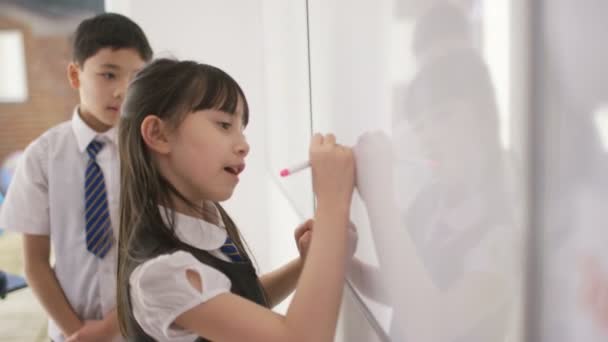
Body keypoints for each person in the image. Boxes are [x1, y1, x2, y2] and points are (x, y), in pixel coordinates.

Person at [115, 58, 356, 342]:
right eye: (224, 124)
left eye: (242, 128)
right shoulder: (161, 274)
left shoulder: (204, 217)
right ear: (158, 134)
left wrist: (304, 266)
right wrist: (332, 203)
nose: (244, 144)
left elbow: (235, 302)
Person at [0, 12, 152, 342]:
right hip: (69, 333)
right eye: (108, 75)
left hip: (143, 329)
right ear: (75, 74)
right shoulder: (43, 156)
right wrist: (79, 333)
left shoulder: (151, 154)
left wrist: (109, 329)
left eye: (135, 78)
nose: (121, 91)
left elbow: (158, 254)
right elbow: (35, 263)